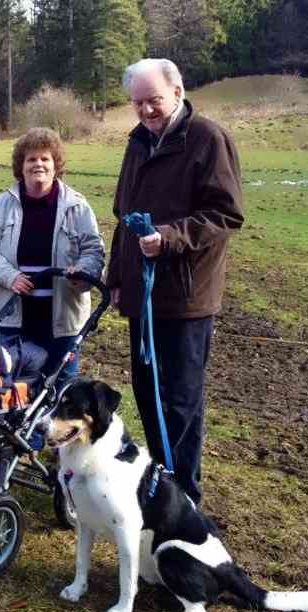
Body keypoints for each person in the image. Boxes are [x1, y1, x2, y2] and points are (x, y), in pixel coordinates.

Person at [106, 59, 244, 505]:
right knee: (146, 393)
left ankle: (184, 498)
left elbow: (225, 214)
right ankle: (161, 484)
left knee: (180, 402)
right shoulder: (138, 143)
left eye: (154, 100)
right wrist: (117, 276)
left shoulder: (207, 139)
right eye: (138, 103)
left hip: (185, 296)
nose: (146, 110)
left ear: (179, 92)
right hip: (141, 297)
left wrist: (168, 238)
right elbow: (122, 217)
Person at [0, 127, 104, 386]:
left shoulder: (77, 206)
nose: (38, 164)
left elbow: (94, 250)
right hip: (13, 320)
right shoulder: (1, 205)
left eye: (45, 158)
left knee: (60, 393)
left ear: (56, 165)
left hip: (63, 324)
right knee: (10, 391)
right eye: (31, 159)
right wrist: (9, 276)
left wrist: (82, 274)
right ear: (20, 166)